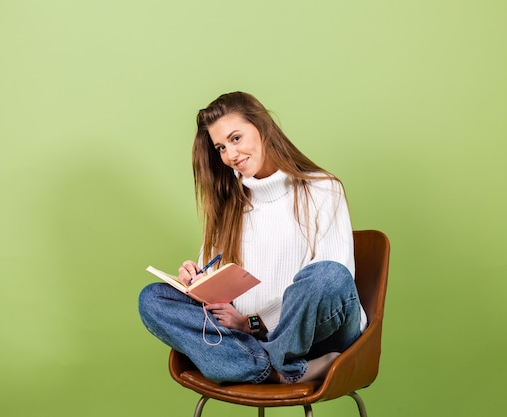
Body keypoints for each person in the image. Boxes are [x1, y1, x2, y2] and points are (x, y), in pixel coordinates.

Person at [138, 91, 366, 384]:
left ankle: (257, 362)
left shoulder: (323, 189)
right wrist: (194, 280)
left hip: (318, 334)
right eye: (220, 147)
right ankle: (276, 371)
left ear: (262, 128)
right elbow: (215, 294)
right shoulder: (229, 204)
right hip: (249, 338)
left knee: (328, 275)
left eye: (236, 138)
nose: (231, 155)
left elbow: (329, 290)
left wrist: (252, 323)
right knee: (153, 299)